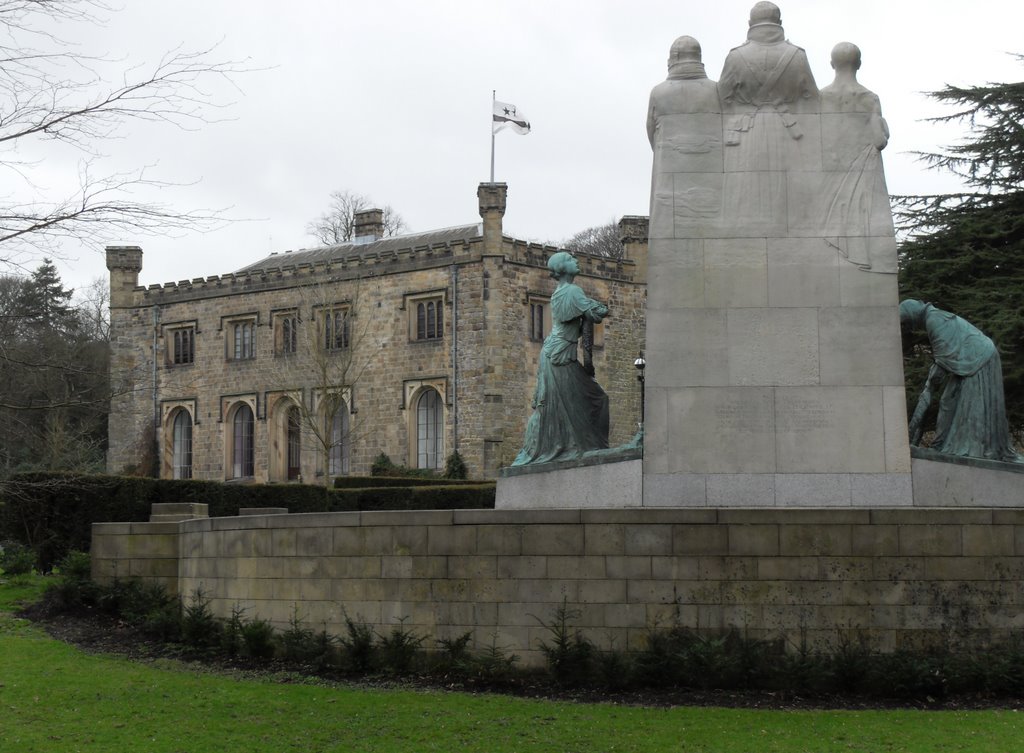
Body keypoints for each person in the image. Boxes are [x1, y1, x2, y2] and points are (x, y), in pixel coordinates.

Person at [512, 252, 610, 465]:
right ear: (564, 268)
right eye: (570, 259)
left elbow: (590, 316)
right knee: (593, 400)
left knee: (562, 406)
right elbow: (597, 313)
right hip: (559, 356)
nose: (576, 260)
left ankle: (583, 447)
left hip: (555, 354)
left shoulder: (560, 293)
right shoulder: (573, 292)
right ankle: (587, 448)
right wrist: (597, 307)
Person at [899, 299, 1020, 462]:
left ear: (912, 316)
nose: (908, 328)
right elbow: (942, 361)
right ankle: (942, 445)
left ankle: (966, 449)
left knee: (963, 406)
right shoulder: (934, 319)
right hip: (972, 359)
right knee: (947, 401)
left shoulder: (934, 321)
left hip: (980, 359)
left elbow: (939, 372)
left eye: (906, 324)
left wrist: (930, 386)